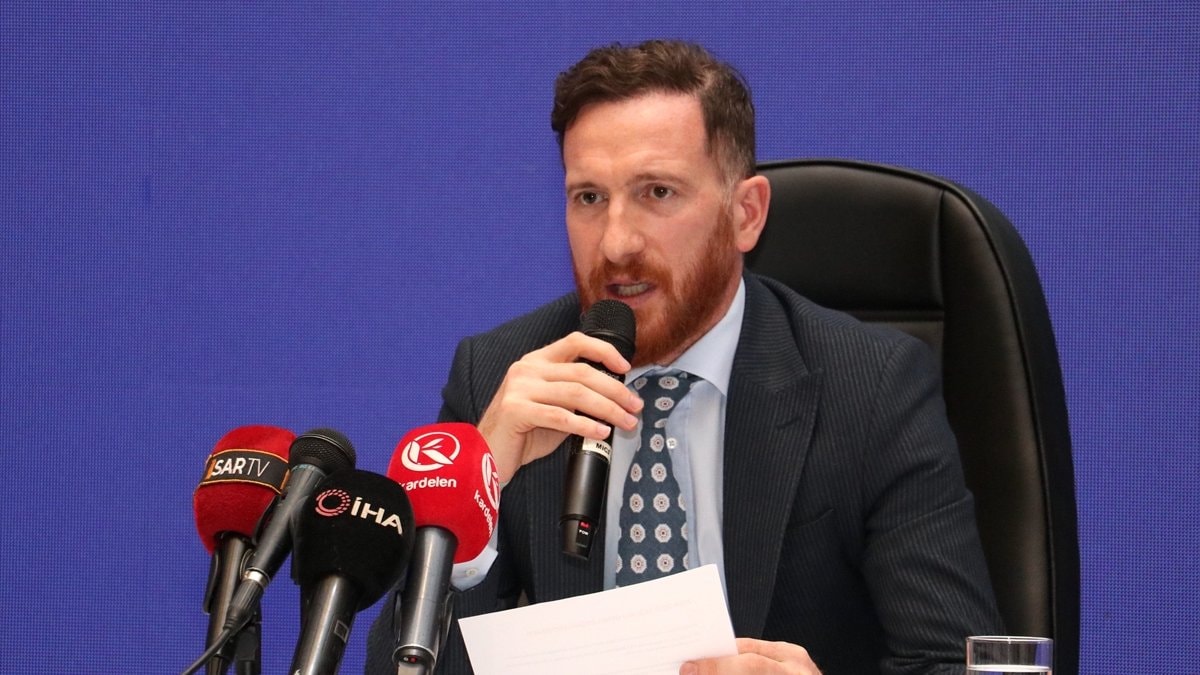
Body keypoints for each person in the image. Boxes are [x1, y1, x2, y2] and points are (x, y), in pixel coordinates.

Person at [367, 39, 1002, 674]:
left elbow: (952, 660)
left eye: (658, 192)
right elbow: (398, 668)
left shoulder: (871, 387)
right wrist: (478, 489)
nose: (616, 243)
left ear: (746, 214)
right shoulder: (501, 377)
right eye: (589, 198)